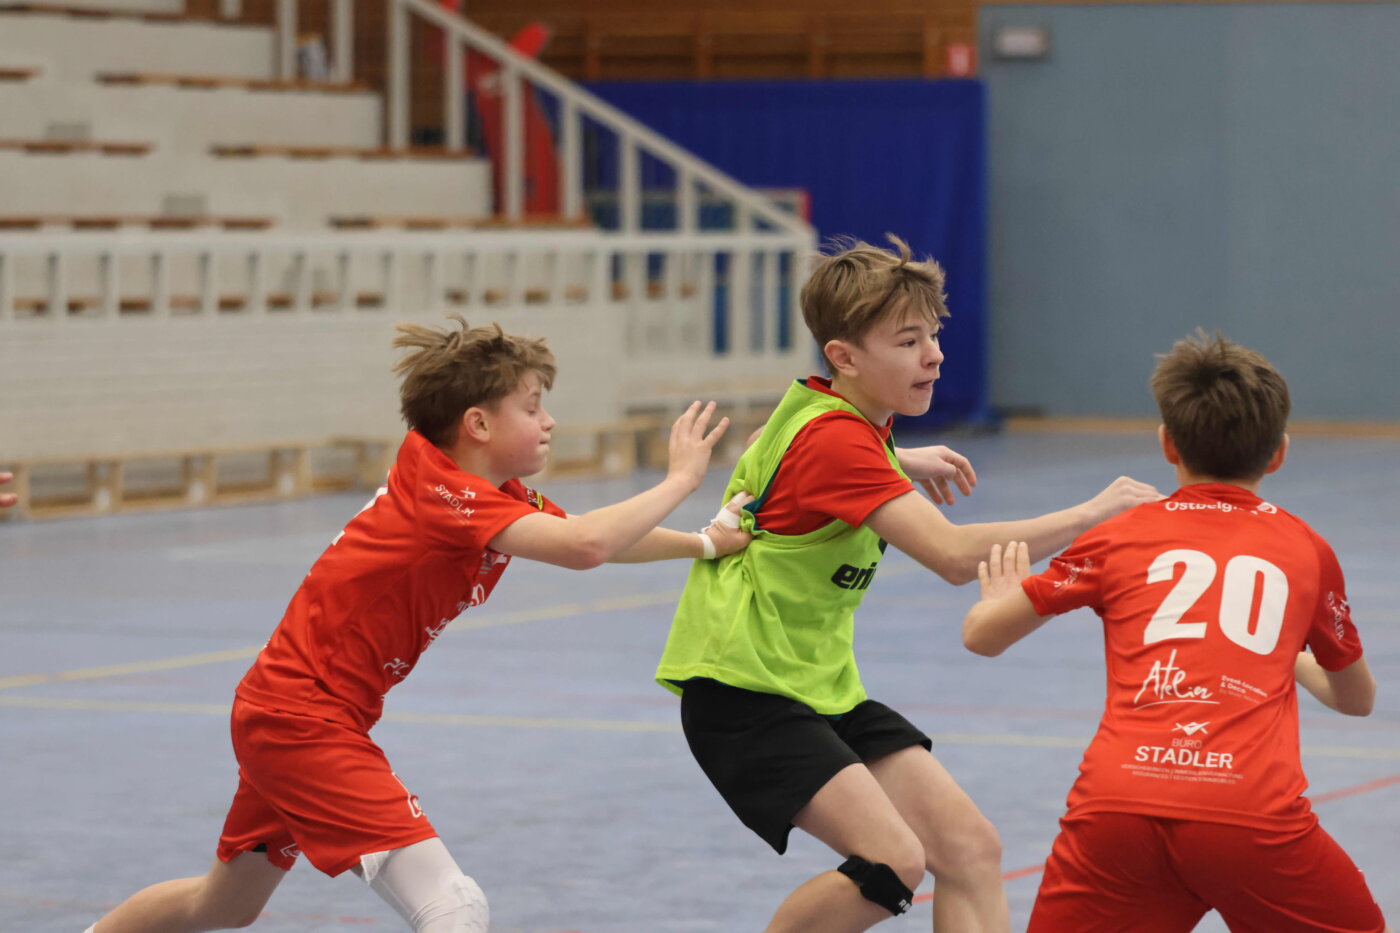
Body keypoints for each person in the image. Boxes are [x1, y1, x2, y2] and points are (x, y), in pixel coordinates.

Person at [86, 316, 752, 933]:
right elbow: (586, 546)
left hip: (295, 712)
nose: (548, 420)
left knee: (224, 905)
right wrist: (680, 479)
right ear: (477, 424)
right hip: (301, 718)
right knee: (454, 904)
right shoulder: (444, 494)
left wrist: (705, 542)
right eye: (531, 407)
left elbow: (588, 533)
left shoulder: (485, 493)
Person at [654, 235, 1160, 933]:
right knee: (893, 863)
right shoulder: (838, 442)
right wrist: (1090, 513)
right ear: (845, 357)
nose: (934, 355)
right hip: (745, 691)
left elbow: (773, 450)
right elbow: (952, 555)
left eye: (934, 335)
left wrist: (895, 456)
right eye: (908, 341)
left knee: (969, 849)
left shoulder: (826, 414)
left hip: (816, 685)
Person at [963, 332, 1389, 932]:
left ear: (1168, 443)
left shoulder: (1119, 535)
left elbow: (982, 636)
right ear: (1278, 454)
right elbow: (1357, 699)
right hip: (1249, 814)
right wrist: (1286, 655)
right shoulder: (1307, 549)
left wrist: (996, 599)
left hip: (1118, 807)